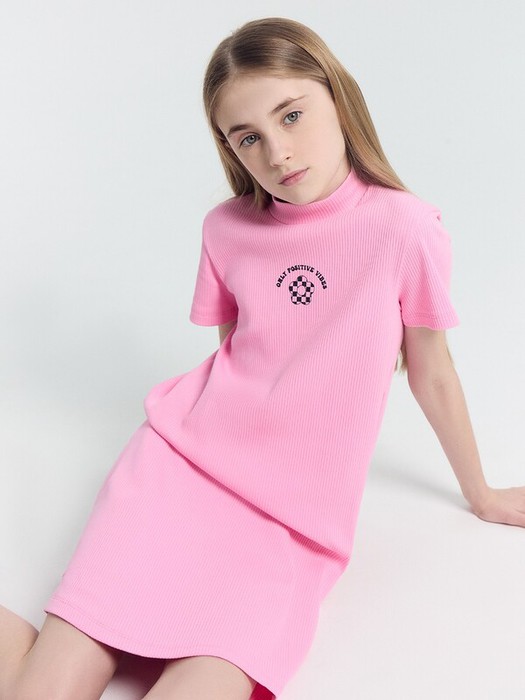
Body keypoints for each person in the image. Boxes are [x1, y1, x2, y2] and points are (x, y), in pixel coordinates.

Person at [2, 15, 525, 700]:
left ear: (337, 97)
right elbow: (238, 354)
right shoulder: (226, 229)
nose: (277, 151)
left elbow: (433, 372)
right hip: (176, 472)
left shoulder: (405, 228)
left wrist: (481, 494)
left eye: (291, 115)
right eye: (247, 136)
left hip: (291, 523)